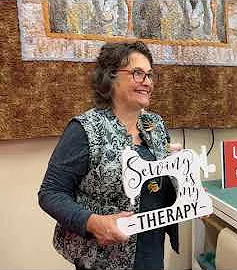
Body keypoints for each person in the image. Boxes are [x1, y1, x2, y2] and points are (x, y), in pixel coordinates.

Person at [38, 41, 180, 270]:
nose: (147, 81)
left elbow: (159, 185)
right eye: (137, 73)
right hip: (103, 260)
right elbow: (50, 193)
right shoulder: (84, 129)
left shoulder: (155, 124)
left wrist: (190, 195)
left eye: (150, 75)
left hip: (151, 252)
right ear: (111, 77)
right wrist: (93, 223)